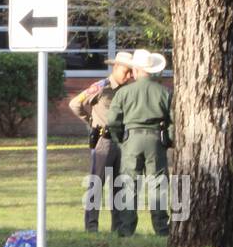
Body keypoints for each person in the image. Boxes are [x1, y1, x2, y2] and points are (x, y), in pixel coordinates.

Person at [107, 48, 172, 237]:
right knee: (158, 184)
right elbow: (174, 120)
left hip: (131, 140)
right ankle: (161, 228)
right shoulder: (164, 92)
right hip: (155, 140)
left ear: (135, 71)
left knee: (129, 184)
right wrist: (167, 139)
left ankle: (126, 230)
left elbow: (112, 120)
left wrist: (119, 138)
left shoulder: (124, 92)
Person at [69, 52, 134, 232]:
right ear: (116, 68)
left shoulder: (129, 90)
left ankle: (118, 227)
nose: (129, 76)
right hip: (103, 141)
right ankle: (91, 227)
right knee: (96, 184)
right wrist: (90, 121)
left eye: (131, 73)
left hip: (123, 141)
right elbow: (75, 103)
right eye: (126, 72)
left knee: (119, 185)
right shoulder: (101, 87)